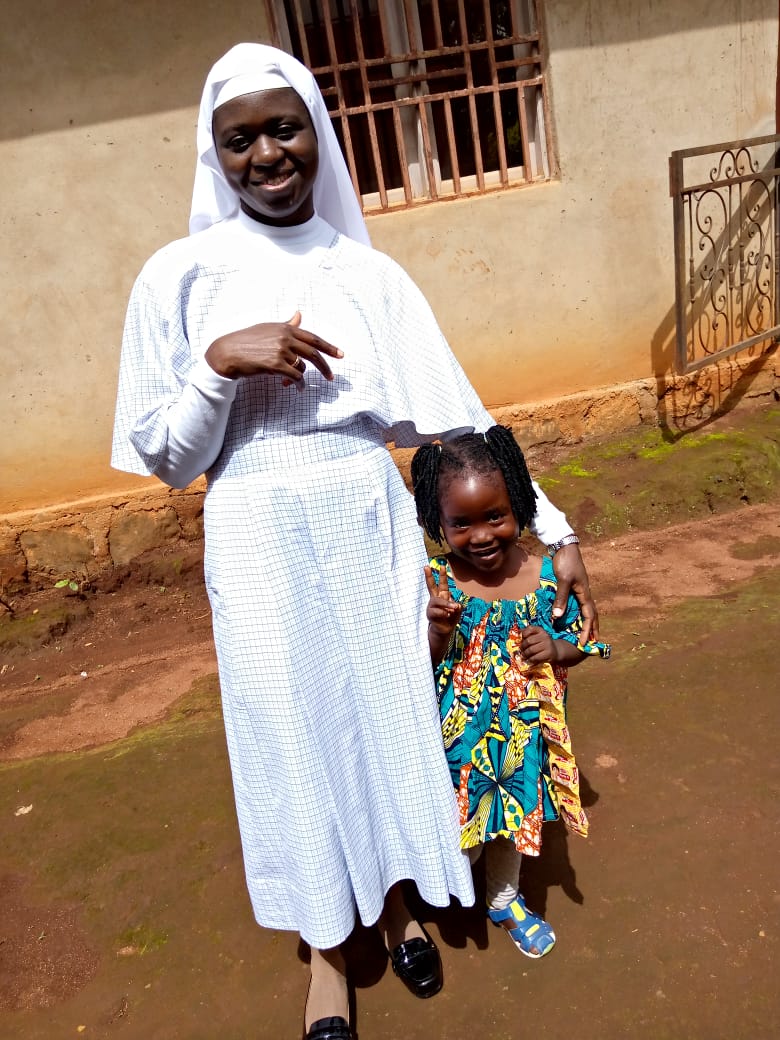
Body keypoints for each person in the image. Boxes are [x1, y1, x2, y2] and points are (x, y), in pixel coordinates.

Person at [111, 42, 599, 1040]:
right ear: (214, 152)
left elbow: (459, 419)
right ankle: (328, 960)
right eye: (239, 139)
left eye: (283, 128)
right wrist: (217, 365)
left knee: (388, 716)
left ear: (318, 135)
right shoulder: (178, 278)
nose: (266, 155)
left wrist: (552, 527)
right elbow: (168, 459)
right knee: (294, 735)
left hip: (366, 522)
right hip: (255, 532)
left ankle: (402, 902)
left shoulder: (367, 275)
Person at [411, 426, 610, 959]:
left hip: (523, 740)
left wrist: (558, 648)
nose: (481, 536)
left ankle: (503, 899)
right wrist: (438, 630)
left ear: (519, 503)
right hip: (456, 747)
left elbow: (584, 643)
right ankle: (444, 882)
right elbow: (418, 666)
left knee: (508, 826)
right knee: (460, 831)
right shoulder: (436, 583)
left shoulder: (548, 578)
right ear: (437, 522)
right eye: (461, 523)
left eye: (495, 516)